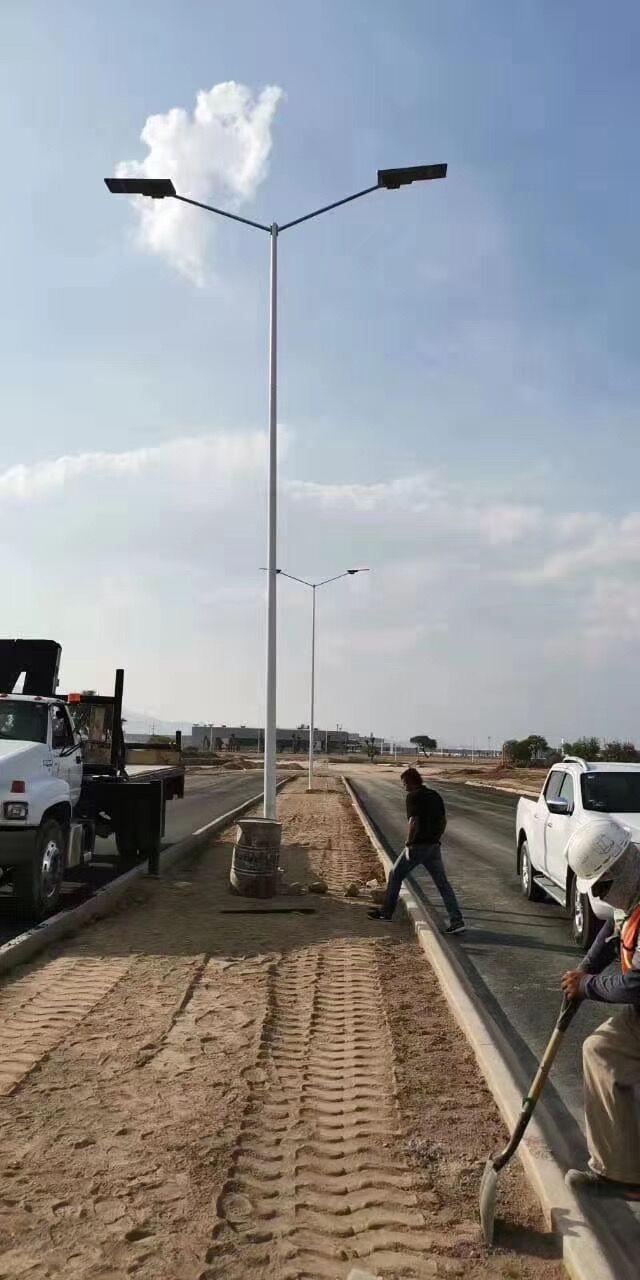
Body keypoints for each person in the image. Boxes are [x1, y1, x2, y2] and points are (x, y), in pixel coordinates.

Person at [561, 815, 640, 1199]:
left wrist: (588, 986)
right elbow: (612, 932)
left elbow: (638, 984)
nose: (602, 896)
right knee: (600, 1050)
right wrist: (584, 969)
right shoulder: (633, 888)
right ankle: (621, 1174)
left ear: (620, 868)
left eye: (603, 886)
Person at [368, 766, 465, 934]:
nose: (404, 786)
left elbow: (414, 822)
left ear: (411, 782)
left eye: (405, 783)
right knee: (443, 884)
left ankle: (386, 912)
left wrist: (408, 844)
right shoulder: (434, 795)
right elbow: (443, 821)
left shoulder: (413, 797)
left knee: (395, 874)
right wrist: (436, 838)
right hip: (434, 847)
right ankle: (457, 920)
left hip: (417, 846)